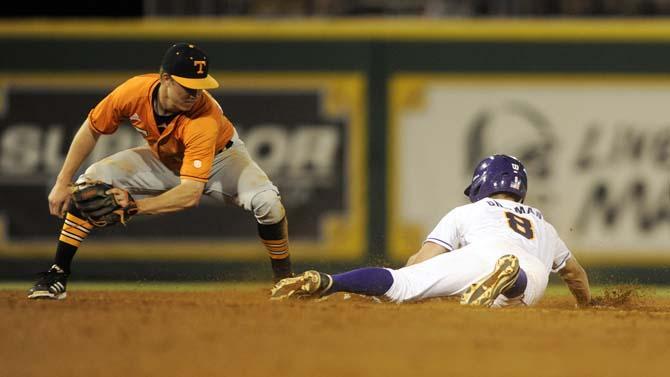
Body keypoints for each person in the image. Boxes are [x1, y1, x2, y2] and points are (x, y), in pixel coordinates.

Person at [28, 42, 293, 300]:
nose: (194, 94)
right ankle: (57, 274)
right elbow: (92, 128)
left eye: (200, 87)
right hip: (165, 159)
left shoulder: (203, 118)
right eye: (187, 86)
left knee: (268, 203)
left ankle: (284, 279)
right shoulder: (134, 91)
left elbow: (190, 193)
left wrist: (135, 207)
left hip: (222, 160)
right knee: (90, 182)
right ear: (165, 79)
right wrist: (63, 181)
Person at [271, 154, 592, 308]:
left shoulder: (467, 211)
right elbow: (575, 275)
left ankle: (328, 281)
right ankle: (510, 278)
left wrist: (401, 287)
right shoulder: (544, 225)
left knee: (400, 282)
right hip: (527, 269)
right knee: (515, 295)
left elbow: (423, 259)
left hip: (477, 255)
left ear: (482, 184)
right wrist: (585, 304)